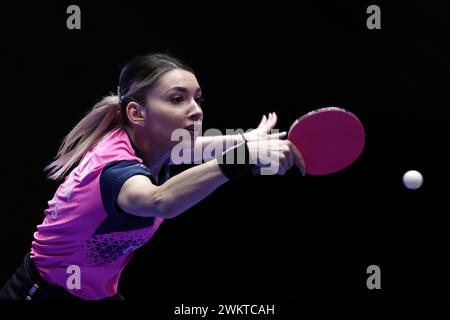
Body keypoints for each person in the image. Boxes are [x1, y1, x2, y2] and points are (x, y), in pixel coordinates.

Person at [0, 53, 305, 300]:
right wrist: (244, 158)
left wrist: (248, 140)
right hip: (45, 293)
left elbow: (199, 148)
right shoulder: (114, 170)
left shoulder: (154, 145)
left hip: (95, 294)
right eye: (177, 99)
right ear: (137, 113)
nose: (196, 110)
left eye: (198, 98)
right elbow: (160, 200)